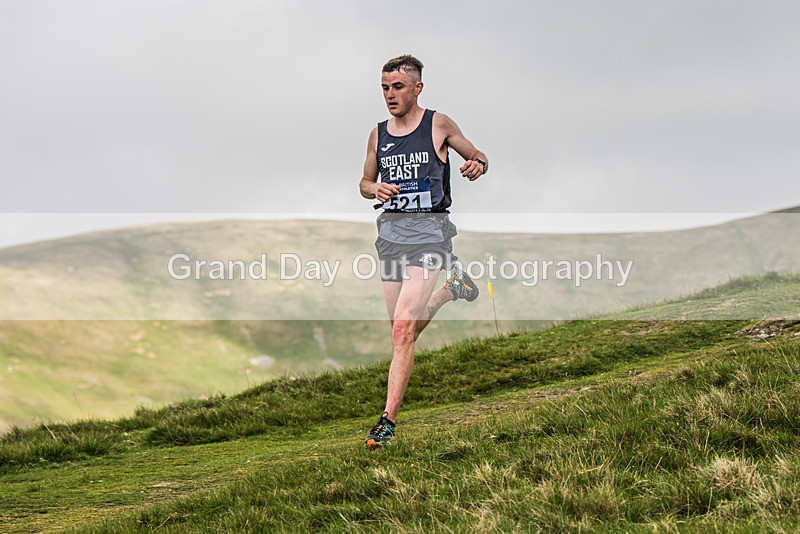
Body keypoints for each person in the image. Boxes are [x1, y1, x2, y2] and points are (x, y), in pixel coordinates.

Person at [359, 54, 488, 449]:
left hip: (430, 233)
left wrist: (477, 165)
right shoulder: (378, 134)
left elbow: (478, 156)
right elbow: (364, 182)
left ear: (417, 87)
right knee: (404, 329)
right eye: (384, 87)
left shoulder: (438, 124)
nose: (390, 95)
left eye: (398, 87)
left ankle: (387, 424)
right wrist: (373, 189)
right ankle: (452, 289)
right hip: (392, 235)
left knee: (402, 329)